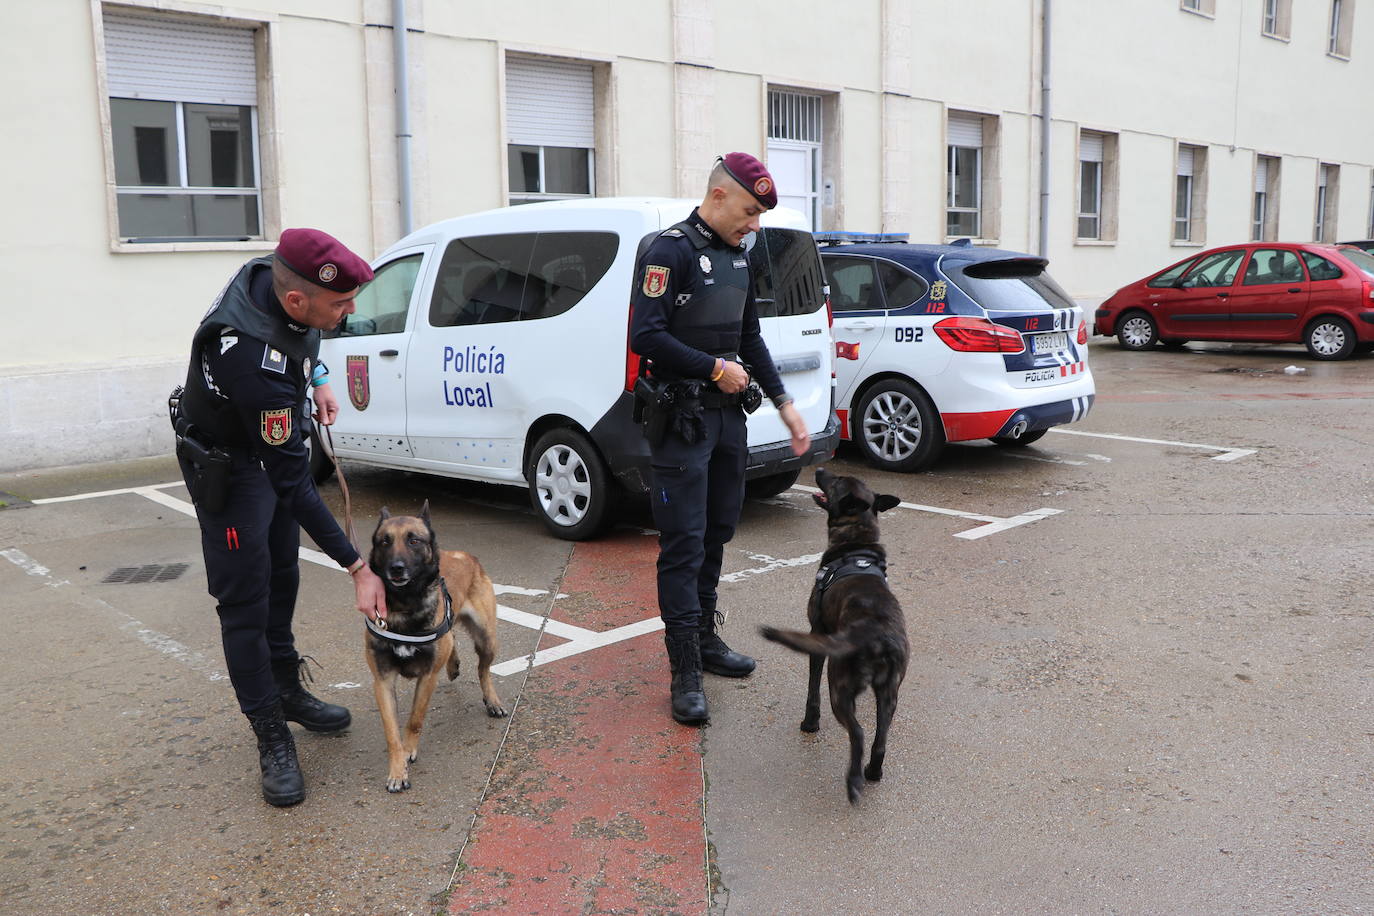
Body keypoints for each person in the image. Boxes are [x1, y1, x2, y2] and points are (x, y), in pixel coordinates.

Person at [171, 228, 389, 806]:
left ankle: (288, 690)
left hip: (262, 439)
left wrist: (315, 381)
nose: (350, 312)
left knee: (283, 576)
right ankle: (271, 734)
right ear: (297, 300)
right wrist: (356, 566)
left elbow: (303, 334)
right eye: (341, 304)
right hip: (231, 466)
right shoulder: (251, 360)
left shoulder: (275, 274)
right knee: (245, 600)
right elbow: (293, 481)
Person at [629, 153, 811, 725]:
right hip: (682, 420)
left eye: (759, 216)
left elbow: (749, 337)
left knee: (716, 533)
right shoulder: (669, 251)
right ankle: (684, 670)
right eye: (750, 211)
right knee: (682, 544)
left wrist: (784, 404)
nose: (755, 224)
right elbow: (646, 334)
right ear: (718, 197)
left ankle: (706, 641)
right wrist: (711, 368)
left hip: (728, 419)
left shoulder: (738, 255)